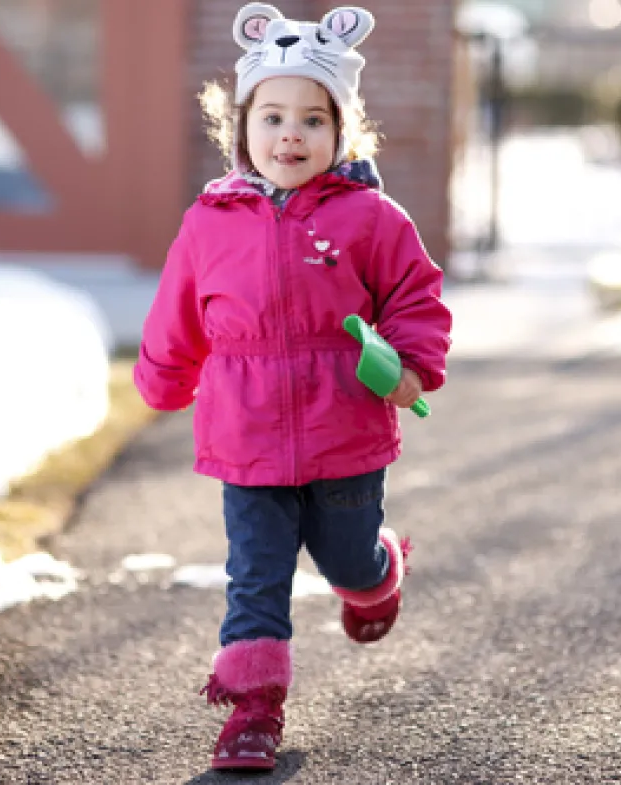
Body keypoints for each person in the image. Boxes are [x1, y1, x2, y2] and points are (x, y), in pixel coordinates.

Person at [133, 2, 452, 771]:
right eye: (271, 116)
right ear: (240, 128)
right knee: (255, 578)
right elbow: (180, 307)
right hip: (244, 437)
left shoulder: (371, 218)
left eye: (312, 119)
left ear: (341, 130)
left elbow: (416, 298)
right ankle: (252, 708)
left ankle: (375, 573)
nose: (289, 135)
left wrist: (409, 362)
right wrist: (164, 376)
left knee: (344, 560)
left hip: (345, 430)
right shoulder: (209, 222)